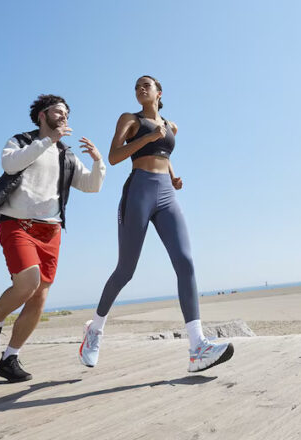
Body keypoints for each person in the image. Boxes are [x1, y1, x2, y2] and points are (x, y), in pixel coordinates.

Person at [78, 76, 233, 373]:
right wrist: (147, 138)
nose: (140, 89)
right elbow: (113, 157)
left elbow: (165, 153)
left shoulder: (171, 126)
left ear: (159, 93)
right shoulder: (130, 119)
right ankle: (94, 330)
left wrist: (173, 175)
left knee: (186, 262)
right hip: (138, 191)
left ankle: (197, 346)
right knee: (126, 270)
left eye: (146, 85)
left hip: (166, 193)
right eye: (136, 86)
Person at [0, 94, 106, 382]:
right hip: (17, 224)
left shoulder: (66, 155)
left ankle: (10, 358)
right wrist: (47, 141)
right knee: (28, 282)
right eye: (58, 111)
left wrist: (98, 163)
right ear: (42, 115)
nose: (64, 117)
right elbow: (10, 166)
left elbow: (91, 186)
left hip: (52, 230)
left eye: (67, 113)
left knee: (39, 298)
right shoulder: (20, 141)